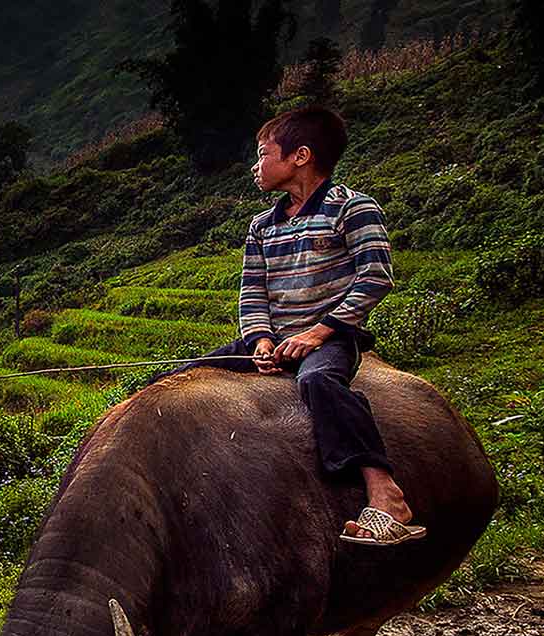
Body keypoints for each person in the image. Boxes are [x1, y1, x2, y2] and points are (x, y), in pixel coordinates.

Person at [168, 106, 422, 545]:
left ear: (300, 156)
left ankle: (384, 491)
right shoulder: (262, 225)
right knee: (176, 379)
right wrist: (261, 340)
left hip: (329, 337)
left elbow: (376, 276)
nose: (256, 165)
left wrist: (319, 332)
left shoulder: (352, 207)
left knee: (321, 381)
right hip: (276, 337)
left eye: (264, 154)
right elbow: (252, 293)